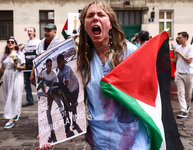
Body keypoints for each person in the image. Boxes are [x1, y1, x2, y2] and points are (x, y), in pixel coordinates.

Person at [40, 1, 149, 150]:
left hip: (132, 138)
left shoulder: (130, 53)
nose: (95, 18)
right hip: (100, 140)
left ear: (110, 24)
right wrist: (50, 133)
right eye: (90, 15)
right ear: (85, 26)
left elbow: (147, 96)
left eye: (101, 14)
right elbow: (75, 100)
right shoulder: (81, 60)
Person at [0, 36, 25, 129]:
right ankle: (15, 112)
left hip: (16, 77)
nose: (10, 43)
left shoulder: (19, 54)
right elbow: (2, 69)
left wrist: (17, 66)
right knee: (7, 97)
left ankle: (11, 119)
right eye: (8, 41)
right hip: (7, 78)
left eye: (12, 42)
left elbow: (24, 67)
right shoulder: (5, 55)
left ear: (15, 44)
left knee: (15, 95)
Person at [171, 32, 193, 118]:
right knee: (180, 92)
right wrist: (166, 58)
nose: (177, 39)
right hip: (179, 73)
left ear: (185, 38)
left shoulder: (190, 48)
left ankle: (187, 105)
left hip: (188, 73)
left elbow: (189, 60)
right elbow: (175, 59)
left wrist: (180, 53)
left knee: (188, 94)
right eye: (177, 37)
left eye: (179, 38)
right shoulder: (178, 47)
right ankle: (183, 110)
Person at [21, 27, 41, 107]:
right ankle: (30, 100)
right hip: (26, 67)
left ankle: (42, 98)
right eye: (28, 31)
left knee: (37, 83)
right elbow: (22, 53)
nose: (29, 32)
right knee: (27, 84)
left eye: (31, 31)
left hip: (35, 67)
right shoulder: (25, 43)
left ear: (34, 32)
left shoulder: (38, 42)